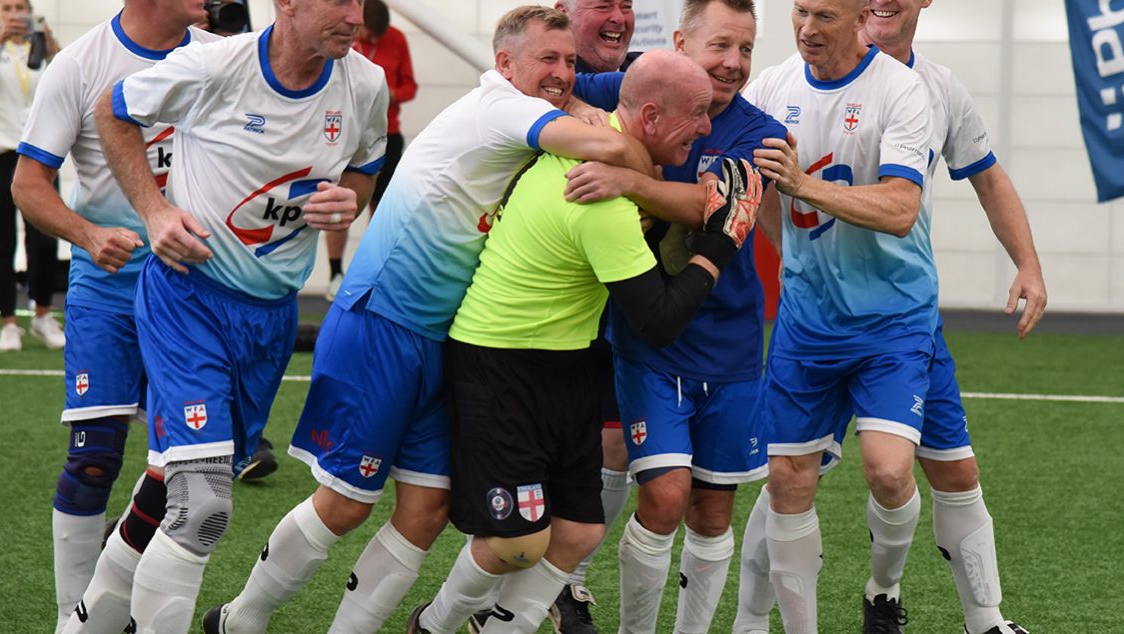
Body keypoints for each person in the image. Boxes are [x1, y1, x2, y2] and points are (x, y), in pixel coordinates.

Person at [201, 6, 655, 634]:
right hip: (382, 320)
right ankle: (241, 619)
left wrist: (575, 103)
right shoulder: (502, 108)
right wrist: (622, 144)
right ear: (504, 64)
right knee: (345, 503)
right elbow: (613, 146)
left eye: (570, 62)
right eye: (547, 59)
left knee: (428, 507)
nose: (562, 72)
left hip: (444, 336)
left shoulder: (528, 117)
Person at [411, 48, 765, 634]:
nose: (707, 128)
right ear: (650, 117)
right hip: (502, 363)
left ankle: (494, 627)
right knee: (520, 542)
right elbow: (658, 319)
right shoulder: (601, 199)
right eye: (697, 114)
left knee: (579, 531)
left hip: (567, 359)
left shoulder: (611, 164)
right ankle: (437, 623)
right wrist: (718, 248)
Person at [94, 0, 387, 628]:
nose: (354, 14)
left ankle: (85, 621)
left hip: (271, 318)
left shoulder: (365, 82)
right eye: (337, 0)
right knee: (202, 507)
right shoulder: (215, 64)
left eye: (358, 1)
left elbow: (366, 164)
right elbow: (113, 110)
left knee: (167, 485)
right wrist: (154, 211)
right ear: (286, 4)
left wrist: (349, 202)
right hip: (187, 298)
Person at [560, 1, 784, 632]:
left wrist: (626, 179)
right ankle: (605, 611)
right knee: (661, 494)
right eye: (721, 46)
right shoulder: (641, 78)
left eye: (745, 49)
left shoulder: (758, 130)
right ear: (682, 42)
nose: (734, 63)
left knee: (713, 514)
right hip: (649, 343)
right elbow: (548, 86)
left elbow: (717, 207)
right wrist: (590, 128)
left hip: (733, 346)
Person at [10, 1, 218, 630]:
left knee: (180, 472)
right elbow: (27, 184)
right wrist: (87, 233)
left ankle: (104, 608)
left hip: (191, 289)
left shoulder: (221, 57)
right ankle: (69, 620)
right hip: (106, 286)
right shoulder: (78, 65)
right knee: (94, 456)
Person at [740, 0, 934, 631]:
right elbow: (760, 189)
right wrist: (792, 255)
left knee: (888, 471)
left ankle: (883, 588)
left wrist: (804, 186)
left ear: (859, 17)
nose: (806, 29)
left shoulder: (901, 89)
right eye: (800, 12)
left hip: (892, 321)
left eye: (824, 15)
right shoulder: (772, 85)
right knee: (788, 478)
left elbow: (902, 206)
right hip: (806, 323)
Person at [853, 2, 1041, 632]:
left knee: (953, 471)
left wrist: (1028, 264)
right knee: (788, 479)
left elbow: (987, 177)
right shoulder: (801, 76)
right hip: (820, 320)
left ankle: (972, 618)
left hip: (907, 319)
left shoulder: (940, 87)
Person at [547, 0, 637, 629]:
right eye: (601, 2)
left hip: (611, 310)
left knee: (614, 445)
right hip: (529, 316)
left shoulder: (638, 78)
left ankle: (566, 586)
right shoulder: (527, 83)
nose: (618, 16)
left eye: (627, 4)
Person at [0, 0, 64, 352]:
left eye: (20, 7)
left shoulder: (43, 47)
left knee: (44, 239)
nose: (14, 14)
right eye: (6, 8)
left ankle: (42, 314)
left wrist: (53, 52)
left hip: (40, 156)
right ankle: (8, 320)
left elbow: (66, 89)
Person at [323, 0, 416, 301]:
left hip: (386, 134)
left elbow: (410, 86)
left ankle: (374, 273)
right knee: (336, 203)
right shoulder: (343, 36)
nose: (373, 41)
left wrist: (391, 93)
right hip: (340, 134)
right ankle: (335, 273)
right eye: (370, 35)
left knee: (381, 205)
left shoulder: (398, 38)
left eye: (379, 36)